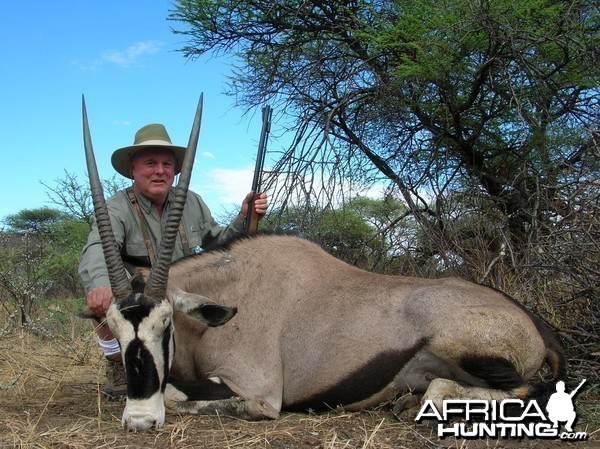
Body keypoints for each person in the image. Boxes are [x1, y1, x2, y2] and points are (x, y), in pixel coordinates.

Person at [78, 123, 268, 399]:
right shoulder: (115, 208)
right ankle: (120, 366)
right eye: (151, 163)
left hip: (180, 299)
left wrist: (245, 218)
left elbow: (219, 244)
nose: (160, 170)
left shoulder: (192, 202)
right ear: (133, 169)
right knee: (104, 300)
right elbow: (96, 247)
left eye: (167, 164)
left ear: (176, 170)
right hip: (140, 306)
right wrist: (101, 285)